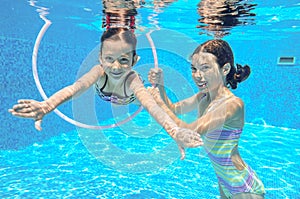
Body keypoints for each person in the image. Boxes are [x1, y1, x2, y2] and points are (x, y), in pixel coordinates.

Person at [8, 7, 203, 159]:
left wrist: (174, 132)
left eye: (124, 60)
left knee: (159, 103)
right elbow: (76, 88)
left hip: (136, 98)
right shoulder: (98, 72)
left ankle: (162, 91)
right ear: (100, 58)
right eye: (109, 59)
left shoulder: (132, 79)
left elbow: (150, 107)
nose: (116, 67)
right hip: (112, 94)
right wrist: (47, 105)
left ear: (134, 62)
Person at [148, 39, 265, 198]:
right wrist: (160, 86)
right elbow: (174, 108)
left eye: (205, 68)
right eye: (194, 69)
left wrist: (158, 104)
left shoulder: (232, 104)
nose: (197, 75)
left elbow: (189, 131)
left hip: (243, 186)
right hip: (224, 181)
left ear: (225, 69)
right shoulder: (204, 97)